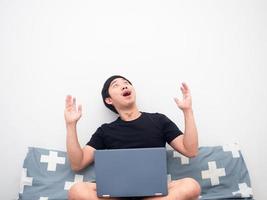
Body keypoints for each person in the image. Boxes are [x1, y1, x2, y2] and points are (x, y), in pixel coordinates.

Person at [65, 75, 201, 200]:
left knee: (191, 185)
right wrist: (71, 125)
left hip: (154, 194)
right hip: (117, 195)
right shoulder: (105, 131)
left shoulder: (159, 120)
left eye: (126, 83)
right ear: (109, 100)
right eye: (116, 85)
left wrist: (187, 111)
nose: (124, 86)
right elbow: (77, 163)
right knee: (77, 190)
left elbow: (191, 151)